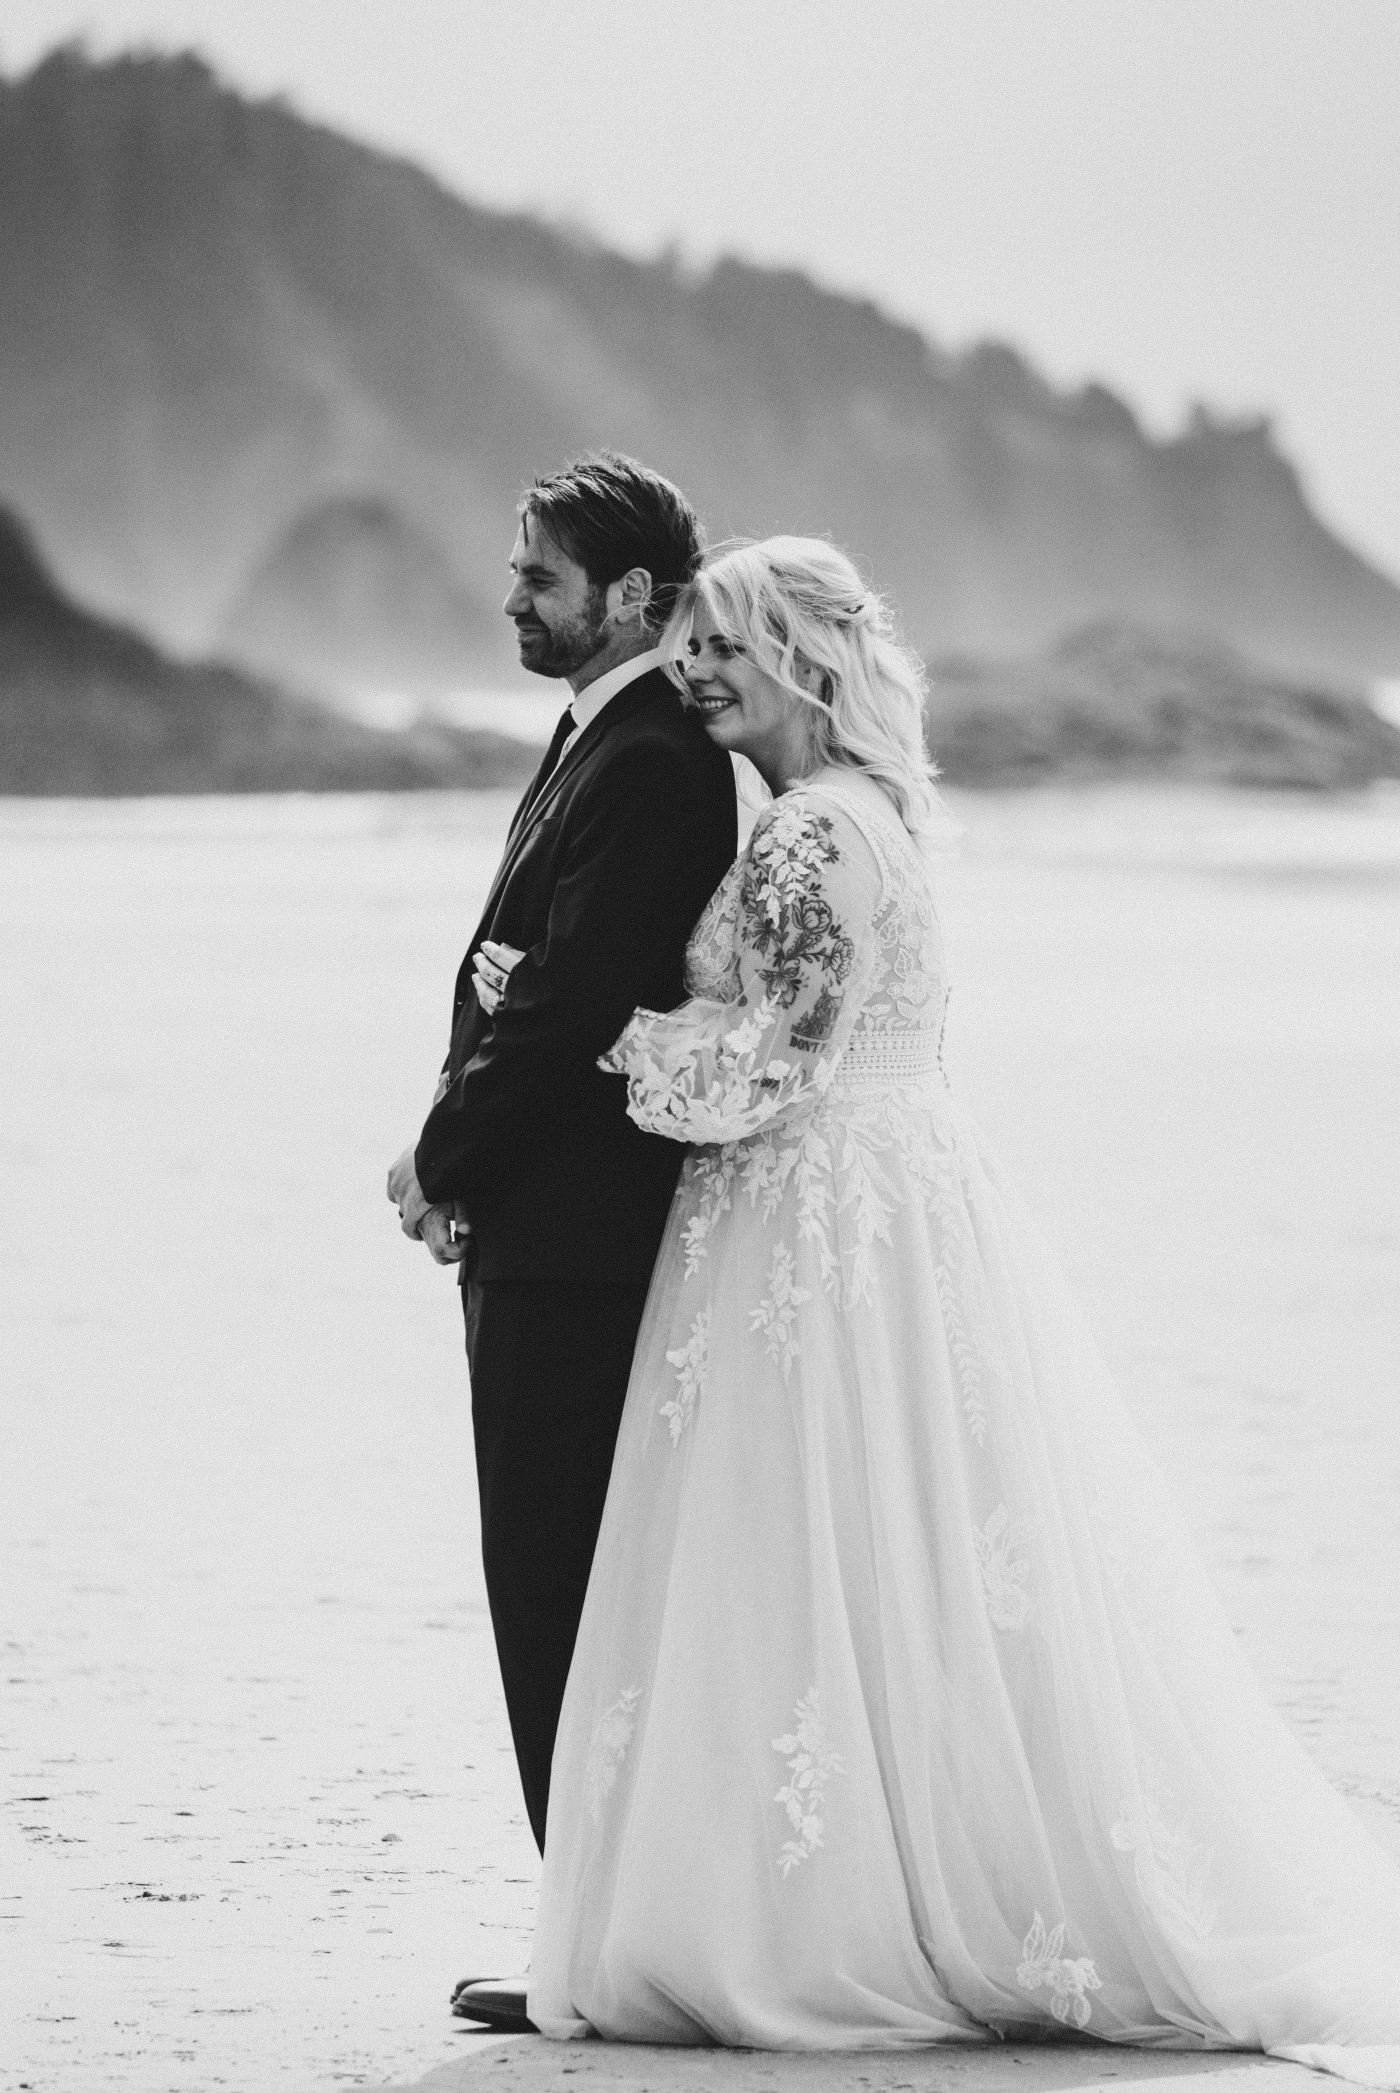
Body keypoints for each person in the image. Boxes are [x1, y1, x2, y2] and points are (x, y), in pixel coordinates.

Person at [516, 535, 1400, 2078]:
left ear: (805, 658)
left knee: (819, 1546)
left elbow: (772, 1068)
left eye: (728, 646)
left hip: (810, 1214)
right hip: (910, 1194)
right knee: (911, 1546)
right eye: (698, 642)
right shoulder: (881, 815)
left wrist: (613, 1046)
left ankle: (833, 1912)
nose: (702, 672)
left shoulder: (801, 841)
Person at [386, 453, 736, 2025]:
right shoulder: (610, 731)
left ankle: (591, 1948)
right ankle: (587, 1923)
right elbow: (515, 971)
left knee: (559, 1579)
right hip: (546, 1222)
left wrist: (444, 1155)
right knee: (554, 1575)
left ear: (632, 599)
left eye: (537, 579)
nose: (512, 598)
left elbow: (573, 1003)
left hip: (579, 1237)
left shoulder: (657, 758)